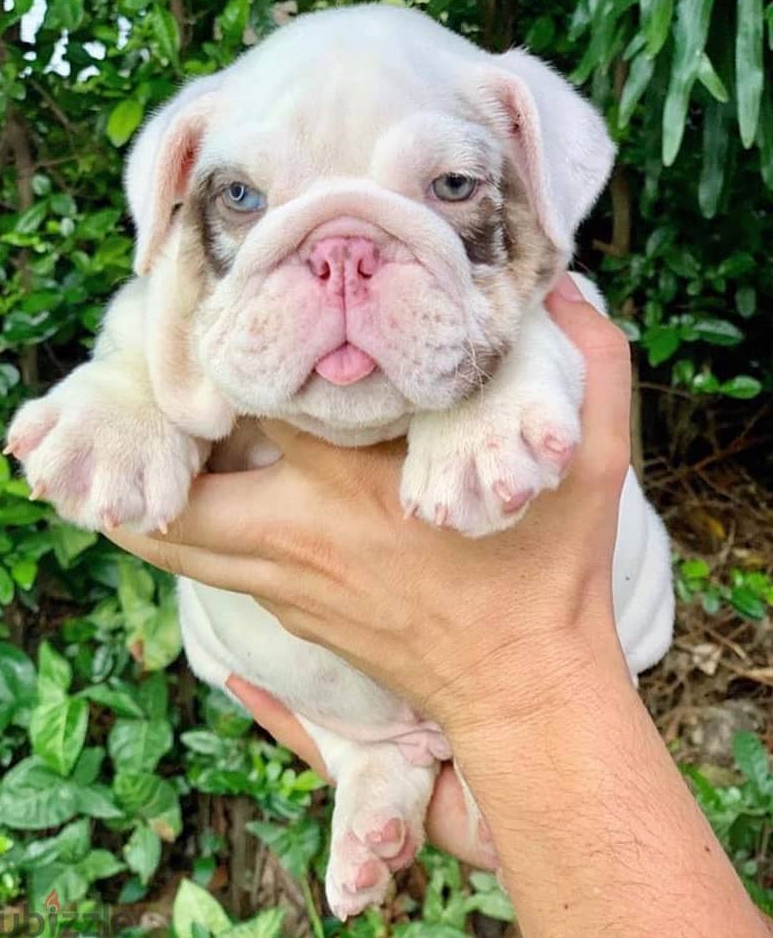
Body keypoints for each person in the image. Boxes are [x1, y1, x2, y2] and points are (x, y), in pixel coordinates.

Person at [110, 274, 771, 936]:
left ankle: (379, 754)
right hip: (327, 683)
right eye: (244, 198)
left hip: (582, 648)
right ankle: (370, 755)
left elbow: (543, 339)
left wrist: (534, 739)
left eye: (448, 186)